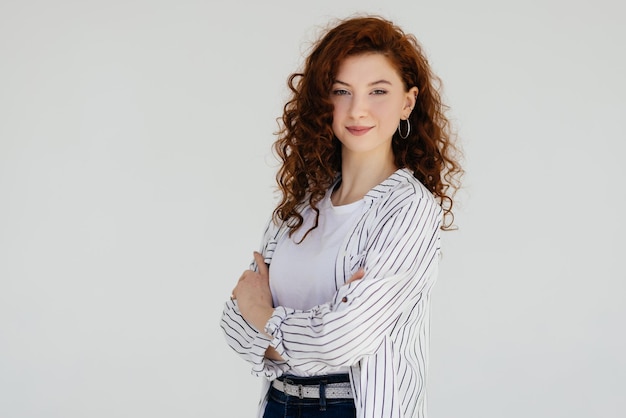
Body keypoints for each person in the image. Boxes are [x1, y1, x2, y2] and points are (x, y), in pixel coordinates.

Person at [220, 14, 462, 418]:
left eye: (378, 91)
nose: (358, 110)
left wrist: (263, 313)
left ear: (408, 101)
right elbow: (232, 323)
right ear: (323, 102)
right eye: (342, 91)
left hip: (351, 408)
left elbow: (342, 339)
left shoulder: (409, 208)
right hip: (278, 404)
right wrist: (312, 326)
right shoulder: (300, 204)